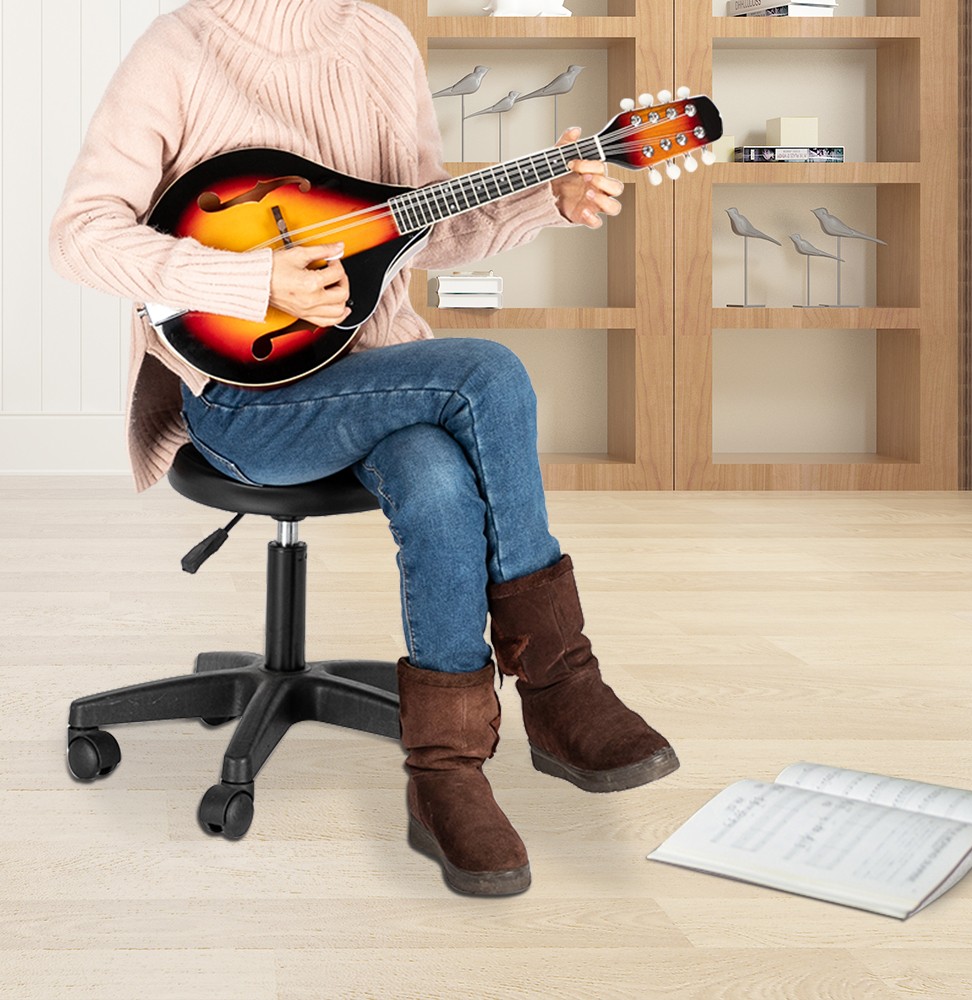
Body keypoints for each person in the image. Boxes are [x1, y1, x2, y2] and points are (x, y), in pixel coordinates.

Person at [50, 0, 678, 896]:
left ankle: (444, 776)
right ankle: (560, 688)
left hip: (382, 377)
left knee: (433, 473)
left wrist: (551, 197)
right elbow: (78, 235)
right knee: (488, 373)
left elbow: (426, 227)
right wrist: (248, 276)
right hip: (246, 399)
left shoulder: (381, 40)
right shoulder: (178, 46)